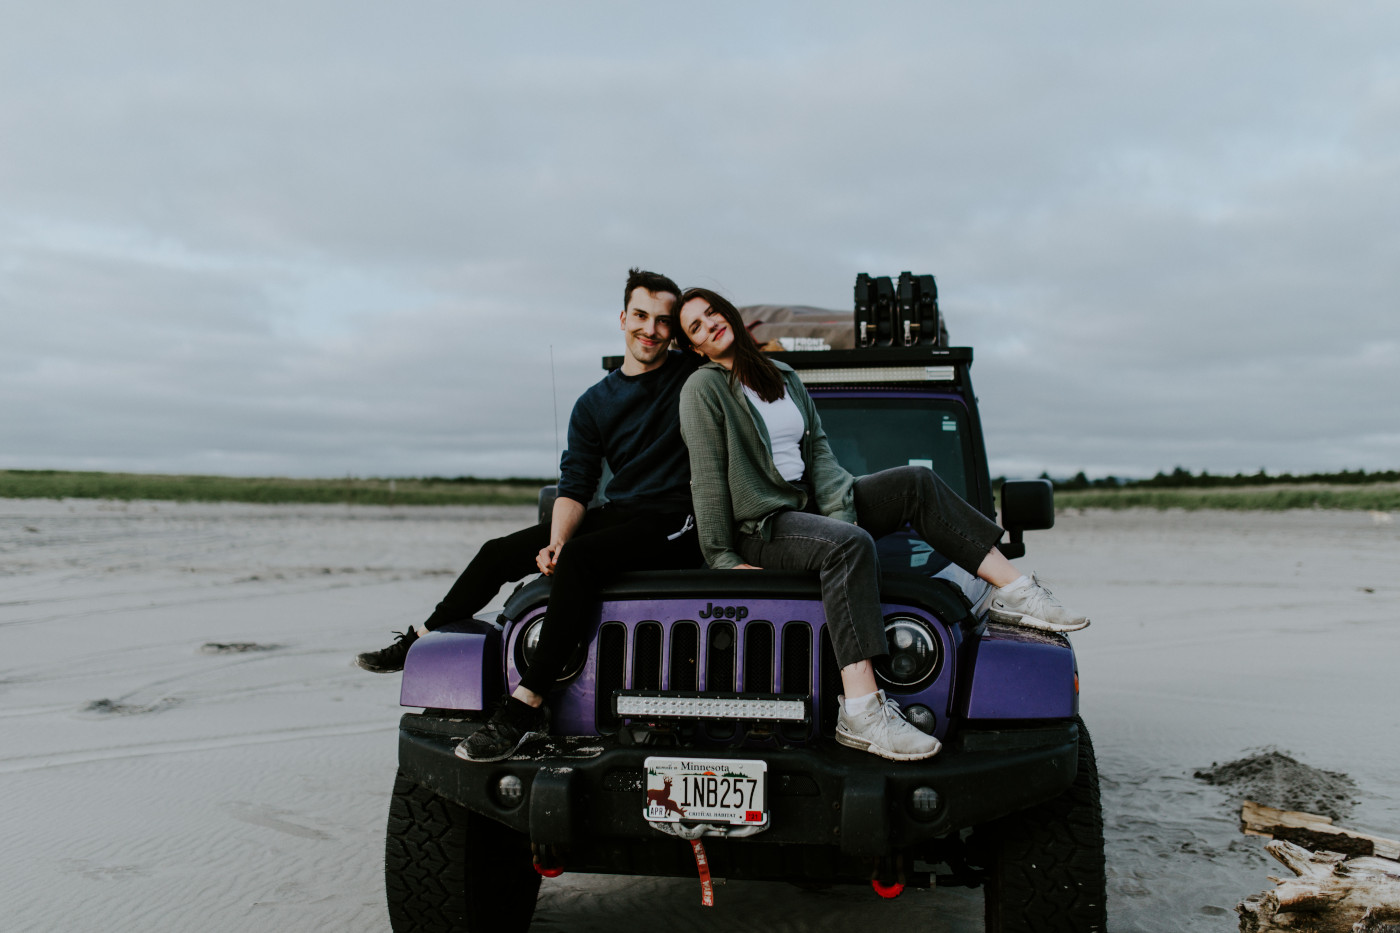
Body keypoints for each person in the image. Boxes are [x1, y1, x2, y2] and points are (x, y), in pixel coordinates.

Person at [675, 287, 1089, 762]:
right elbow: (705, 477)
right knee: (847, 547)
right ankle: (862, 712)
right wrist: (722, 559)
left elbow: (821, 455)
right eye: (696, 327)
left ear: (728, 313)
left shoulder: (782, 375)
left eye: (712, 313)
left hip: (810, 511)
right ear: (695, 347)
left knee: (915, 481)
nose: (710, 325)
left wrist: (842, 514)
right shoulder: (702, 388)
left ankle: (1017, 592)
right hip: (764, 526)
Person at [355, 269, 703, 762]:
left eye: (664, 322)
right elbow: (576, 484)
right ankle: (420, 638)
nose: (651, 329)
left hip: (677, 518)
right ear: (623, 318)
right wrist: (556, 542)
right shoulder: (594, 403)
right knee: (499, 552)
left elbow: (726, 344)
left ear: (674, 331)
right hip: (623, 512)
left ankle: (528, 701)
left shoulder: (690, 376)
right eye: (641, 316)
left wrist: (571, 551)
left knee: (581, 559)